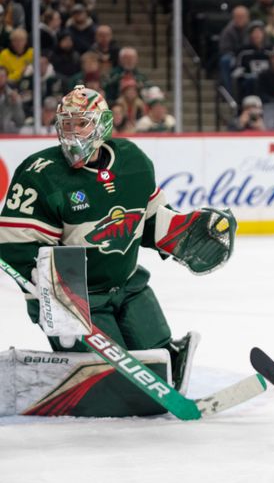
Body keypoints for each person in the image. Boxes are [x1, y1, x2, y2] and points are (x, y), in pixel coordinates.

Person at [0, 85, 236, 399]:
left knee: (160, 357)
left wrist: (187, 232)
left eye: (80, 123)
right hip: (76, 299)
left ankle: (162, 356)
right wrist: (50, 295)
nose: (71, 133)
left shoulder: (132, 161)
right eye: (66, 124)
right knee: (109, 377)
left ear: (102, 124)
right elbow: (16, 245)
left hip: (127, 285)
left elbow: (150, 220)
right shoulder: (39, 174)